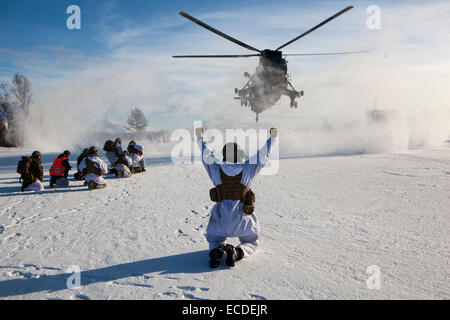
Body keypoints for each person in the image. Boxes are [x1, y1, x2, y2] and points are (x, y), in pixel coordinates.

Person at [196, 127, 278, 268]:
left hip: (221, 218)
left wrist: (199, 138)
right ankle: (237, 252)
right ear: (240, 155)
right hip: (242, 218)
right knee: (252, 241)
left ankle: (216, 250)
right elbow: (263, 155)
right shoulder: (248, 168)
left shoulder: (216, 167)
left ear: (223, 155)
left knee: (215, 240)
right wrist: (273, 138)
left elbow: (206, 155)